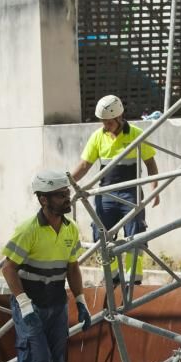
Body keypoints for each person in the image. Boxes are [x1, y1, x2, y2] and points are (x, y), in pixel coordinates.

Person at [2, 170, 92, 362]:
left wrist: (80, 300)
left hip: (56, 302)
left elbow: (72, 268)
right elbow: (8, 269)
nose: (67, 199)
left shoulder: (70, 228)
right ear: (43, 200)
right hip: (31, 304)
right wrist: (24, 305)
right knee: (37, 359)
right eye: (60, 195)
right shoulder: (28, 229)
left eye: (66, 193)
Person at [71, 94, 160, 284]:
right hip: (106, 195)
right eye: (103, 121)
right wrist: (67, 181)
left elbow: (150, 164)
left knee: (135, 235)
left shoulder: (136, 134)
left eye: (108, 122)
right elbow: (85, 165)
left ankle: (133, 279)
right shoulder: (97, 137)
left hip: (131, 194)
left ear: (119, 117)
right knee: (100, 233)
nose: (105, 125)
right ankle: (111, 276)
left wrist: (155, 189)